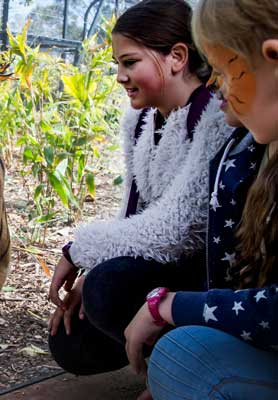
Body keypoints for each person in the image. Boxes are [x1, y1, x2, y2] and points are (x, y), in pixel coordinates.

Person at [47, 0, 235, 375]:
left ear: (177, 57)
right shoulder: (140, 120)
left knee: (105, 288)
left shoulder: (214, 115)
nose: (120, 75)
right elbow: (134, 212)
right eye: (117, 64)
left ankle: (183, 370)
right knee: (71, 342)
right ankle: (153, 357)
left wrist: (80, 250)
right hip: (160, 267)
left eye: (130, 62)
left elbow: (176, 228)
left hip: (205, 277)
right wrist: (95, 261)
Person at [126, 0, 278, 398]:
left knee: (181, 354)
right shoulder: (245, 151)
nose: (213, 84)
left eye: (224, 69)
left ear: (273, 58)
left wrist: (171, 306)